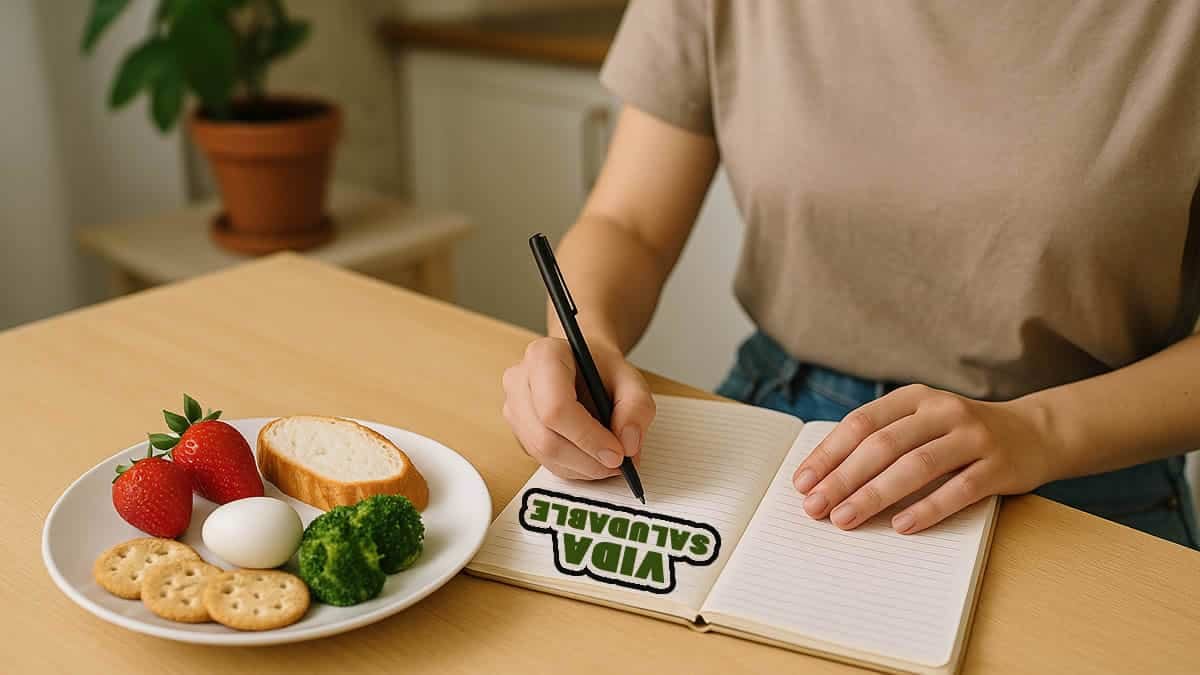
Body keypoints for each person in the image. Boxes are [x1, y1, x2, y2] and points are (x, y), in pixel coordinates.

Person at [500, 1, 1200, 548]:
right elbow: (628, 223)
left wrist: (1039, 432)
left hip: (1083, 456)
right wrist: (585, 341)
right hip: (786, 420)